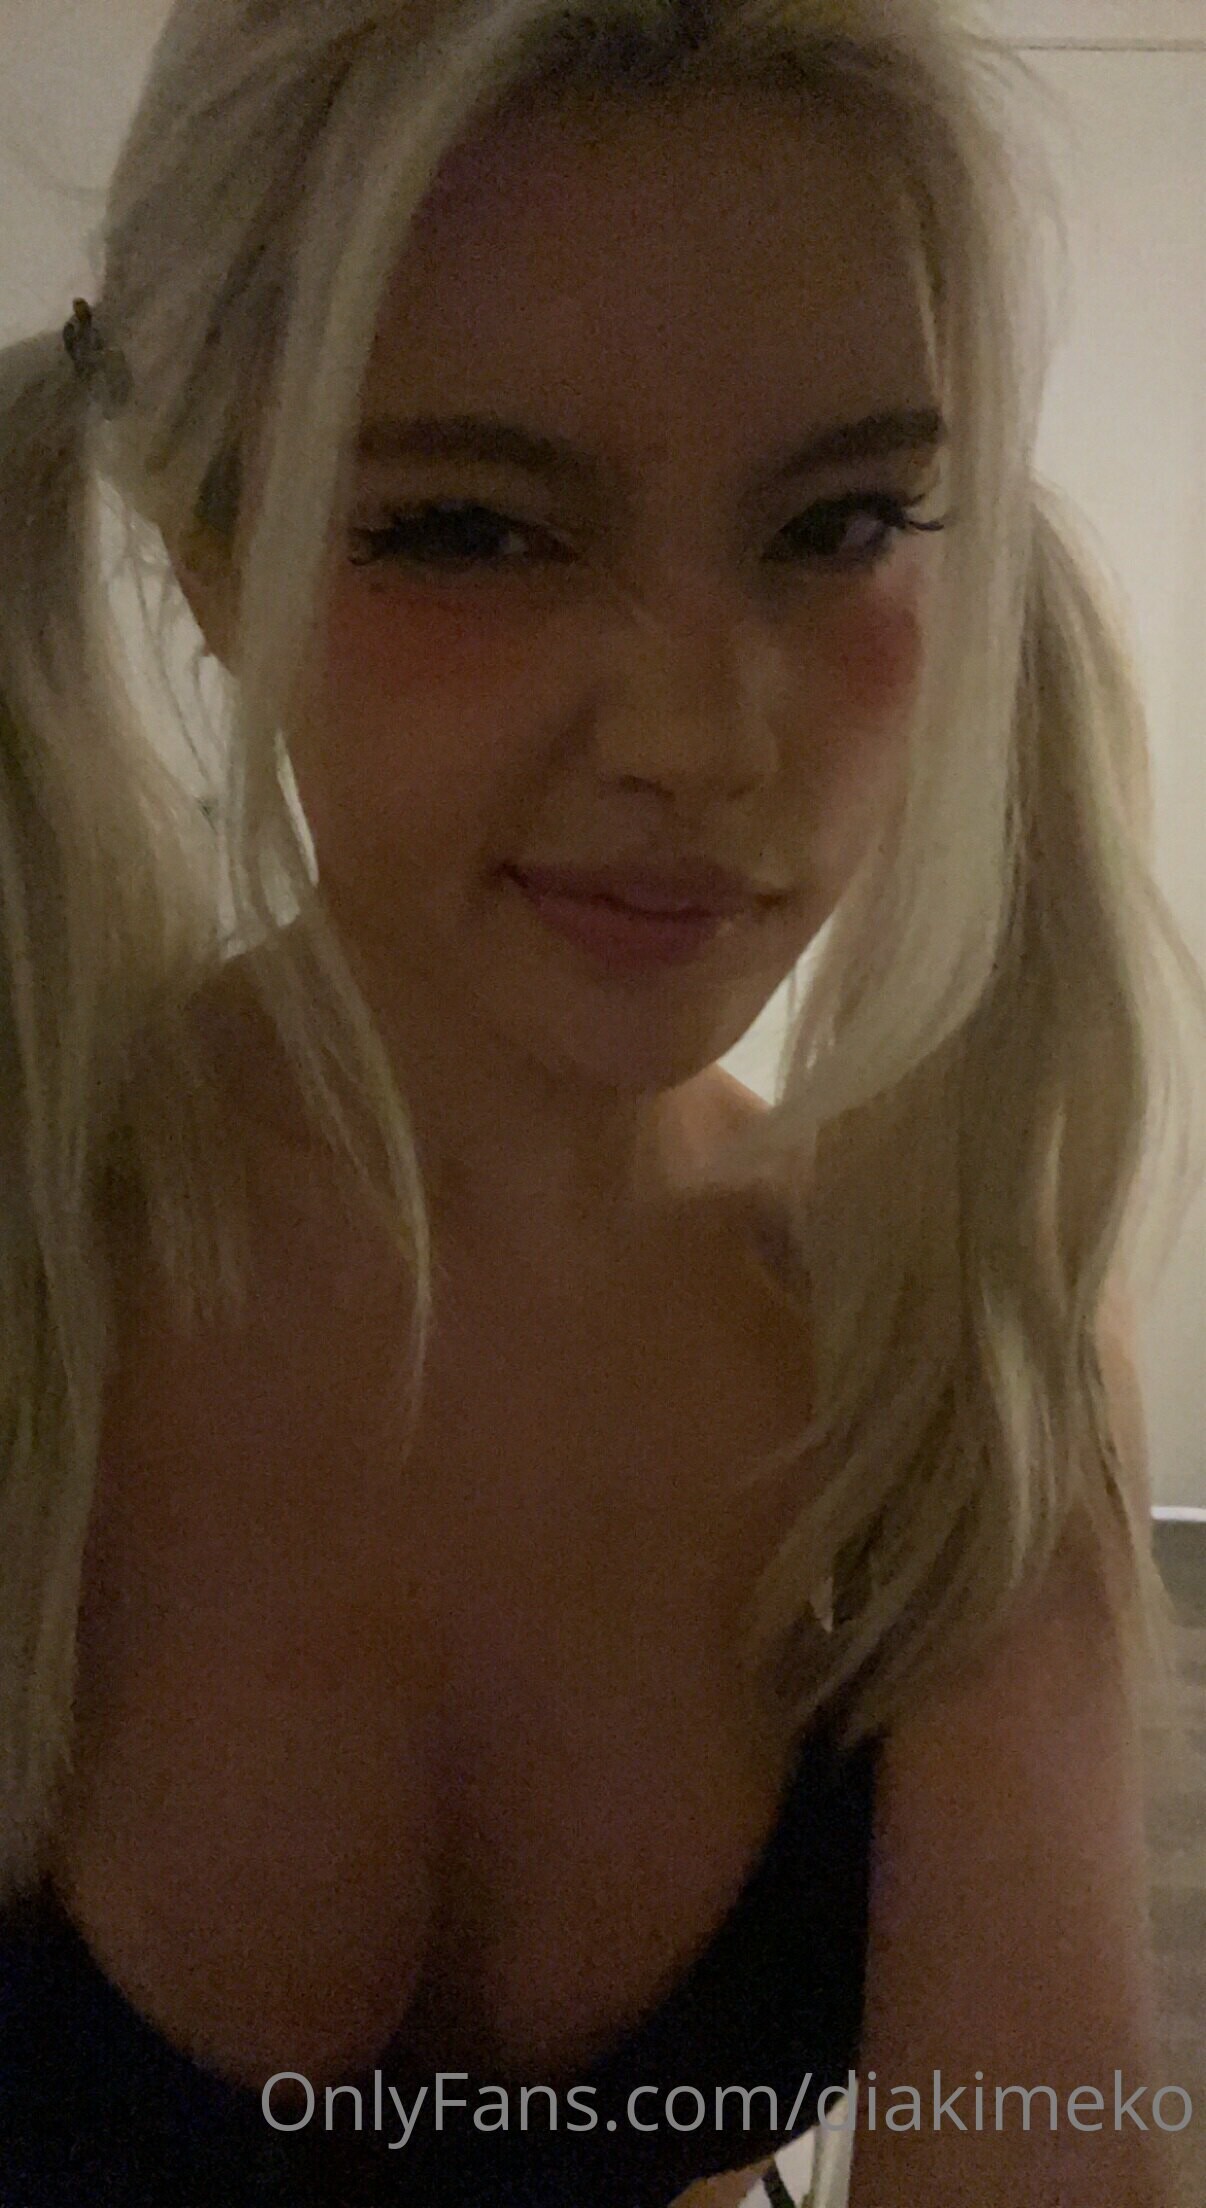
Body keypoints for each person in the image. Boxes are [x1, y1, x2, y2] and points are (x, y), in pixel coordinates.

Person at [0, 1, 1202, 2203]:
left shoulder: (937, 1346)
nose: (703, 738)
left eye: (838, 522)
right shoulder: (32, 1260)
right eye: (473, 529)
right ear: (201, 542)